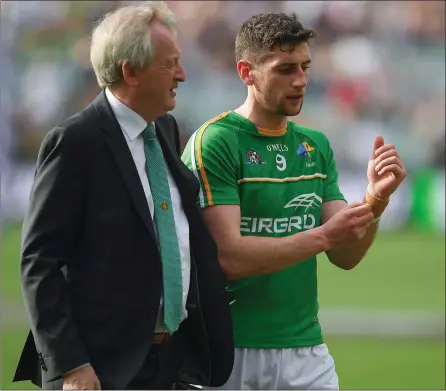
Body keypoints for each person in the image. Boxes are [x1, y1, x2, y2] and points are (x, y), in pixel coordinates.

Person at [13, 2, 233, 390]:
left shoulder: (163, 128)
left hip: (170, 364)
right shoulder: (75, 142)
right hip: (102, 373)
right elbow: (39, 262)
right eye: (170, 64)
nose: (181, 75)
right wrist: (71, 366)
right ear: (130, 72)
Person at [181, 12, 406, 390]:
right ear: (245, 72)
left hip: (306, 351)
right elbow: (229, 258)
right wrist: (323, 237)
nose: (300, 80)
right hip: (230, 351)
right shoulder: (215, 142)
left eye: (304, 66)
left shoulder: (314, 145)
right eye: (285, 69)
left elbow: (345, 256)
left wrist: (374, 201)